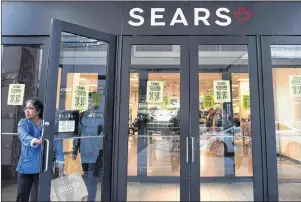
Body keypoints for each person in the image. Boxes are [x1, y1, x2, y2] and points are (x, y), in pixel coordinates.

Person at [16, 99, 64, 202]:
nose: (27, 111)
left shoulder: (47, 124)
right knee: (21, 196)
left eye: (30, 108)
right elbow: (23, 136)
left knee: (41, 197)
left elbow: (57, 142)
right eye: (26, 108)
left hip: (44, 166)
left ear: (37, 111)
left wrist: (60, 160)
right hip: (26, 165)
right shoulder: (23, 123)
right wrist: (35, 141)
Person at [72, 94, 104, 202]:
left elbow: (104, 136)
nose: (90, 103)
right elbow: (78, 134)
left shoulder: (102, 116)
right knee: (86, 176)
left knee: (92, 178)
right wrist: (75, 150)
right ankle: (87, 198)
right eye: (88, 101)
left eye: (92, 101)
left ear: (97, 103)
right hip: (84, 151)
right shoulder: (82, 116)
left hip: (96, 152)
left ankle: (91, 199)